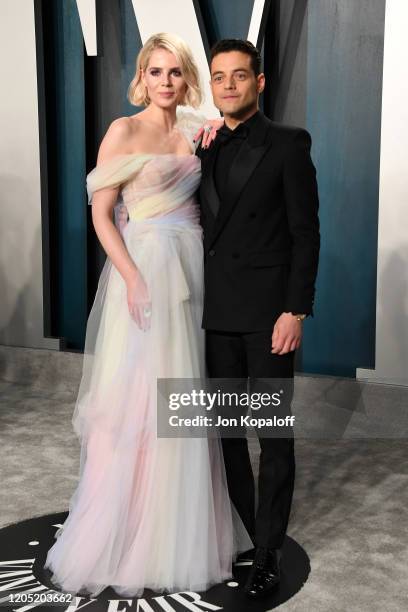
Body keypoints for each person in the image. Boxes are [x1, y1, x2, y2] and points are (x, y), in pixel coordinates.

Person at [44, 32, 253, 598]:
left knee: (186, 396)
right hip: (147, 272)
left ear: (187, 78)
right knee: (142, 396)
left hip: (196, 271)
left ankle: (178, 530)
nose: (166, 82)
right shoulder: (123, 130)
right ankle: (130, 529)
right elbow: (103, 217)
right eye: (156, 72)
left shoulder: (196, 130)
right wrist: (133, 277)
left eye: (175, 73)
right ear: (143, 77)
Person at [196, 39, 320, 599]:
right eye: (219, 77)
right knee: (222, 434)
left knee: (273, 437)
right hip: (215, 315)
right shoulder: (201, 145)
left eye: (238, 76)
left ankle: (269, 551)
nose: (228, 85)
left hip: (269, 317)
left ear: (259, 82)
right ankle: (245, 534)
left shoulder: (289, 144)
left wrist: (295, 309)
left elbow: (305, 235)